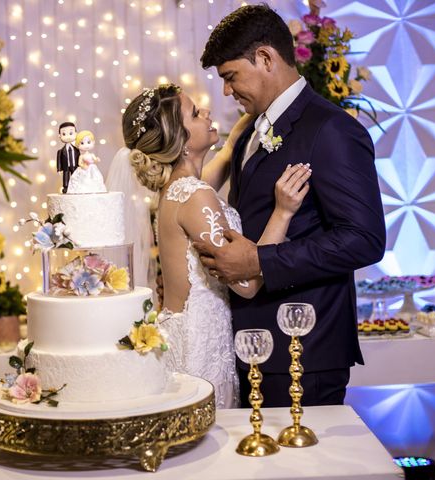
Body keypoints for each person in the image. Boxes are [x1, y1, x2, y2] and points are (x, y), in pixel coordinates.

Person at [195, 4, 386, 407]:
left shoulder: (332, 129)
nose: (226, 91)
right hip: (252, 344)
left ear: (265, 58)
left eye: (230, 77)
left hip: (304, 349)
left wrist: (261, 262)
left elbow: (364, 239)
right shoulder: (249, 132)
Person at [120, 84, 311, 408]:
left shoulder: (178, 190)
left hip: (184, 332)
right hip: (201, 343)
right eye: (195, 113)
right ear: (180, 142)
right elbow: (248, 283)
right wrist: (283, 211)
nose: (206, 112)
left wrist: (231, 143)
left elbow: (207, 180)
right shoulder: (195, 196)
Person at [56, 122, 79, 193]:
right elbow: (59, 161)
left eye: (71, 133)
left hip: (75, 166)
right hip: (66, 167)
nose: (68, 136)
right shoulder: (60, 151)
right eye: (64, 134)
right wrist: (59, 169)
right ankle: (66, 187)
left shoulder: (78, 149)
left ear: (76, 133)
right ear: (59, 136)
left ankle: (77, 187)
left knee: (76, 177)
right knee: (66, 177)